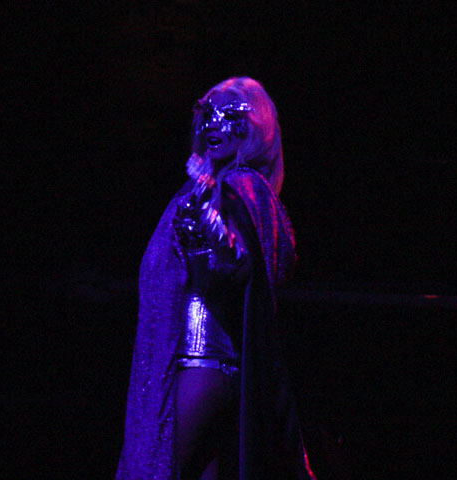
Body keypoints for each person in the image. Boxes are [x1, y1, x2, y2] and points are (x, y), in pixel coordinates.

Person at [116, 77, 316, 480]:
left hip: (204, 362)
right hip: (199, 365)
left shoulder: (241, 186)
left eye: (229, 114)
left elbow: (237, 264)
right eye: (208, 113)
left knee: (158, 470)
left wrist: (203, 203)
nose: (213, 123)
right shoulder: (218, 186)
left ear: (254, 127)